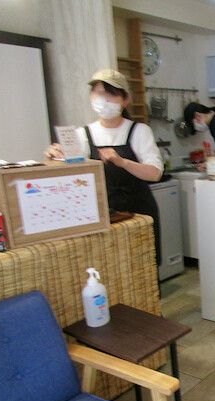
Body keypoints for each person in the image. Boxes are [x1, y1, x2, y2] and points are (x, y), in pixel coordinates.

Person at [44, 69, 163, 264]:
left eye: (111, 95)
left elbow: (155, 173)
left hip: (139, 213)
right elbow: (72, 179)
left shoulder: (140, 131)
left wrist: (122, 162)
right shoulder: (81, 134)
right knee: (106, 268)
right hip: (101, 216)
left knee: (143, 268)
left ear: (125, 100)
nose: (103, 100)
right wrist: (55, 157)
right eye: (98, 94)